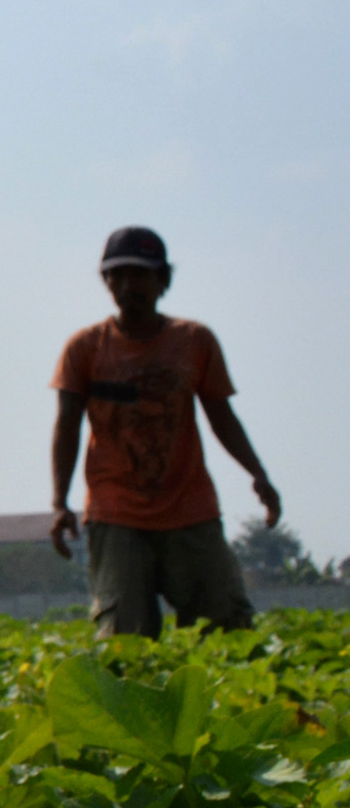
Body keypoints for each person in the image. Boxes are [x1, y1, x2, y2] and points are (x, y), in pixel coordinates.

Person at [48, 225, 279, 638]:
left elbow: (221, 416)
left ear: (162, 280)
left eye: (139, 274)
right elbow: (67, 426)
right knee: (124, 638)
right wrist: (59, 501)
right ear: (105, 282)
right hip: (115, 510)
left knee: (228, 628)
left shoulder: (194, 341)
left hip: (189, 508)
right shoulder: (85, 349)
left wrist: (257, 474)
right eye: (116, 276)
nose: (127, 285)